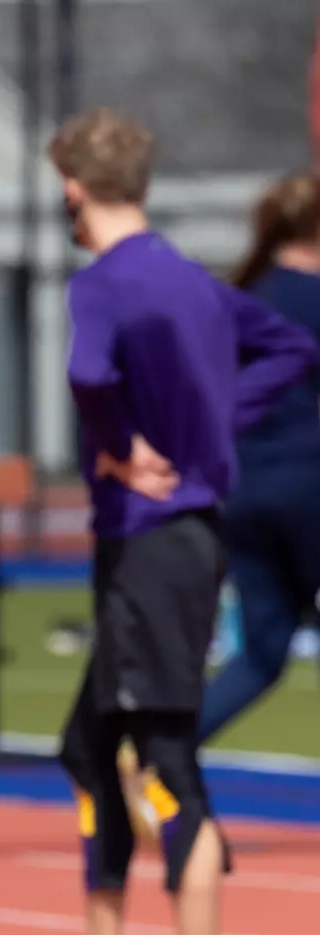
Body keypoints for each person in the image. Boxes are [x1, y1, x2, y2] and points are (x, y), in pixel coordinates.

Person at [20, 108, 316, 935]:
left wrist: (122, 447)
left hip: (158, 545)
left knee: (160, 761)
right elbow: (293, 351)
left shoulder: (107, 282)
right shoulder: (188, 278)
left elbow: (87, 371)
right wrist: (208, 425)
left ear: (73, 188)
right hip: (162, 544)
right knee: (87, 747)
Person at [195, 174, 320, 743]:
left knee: (261, 654)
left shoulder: (239, 298)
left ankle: (162, 753)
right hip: (307, 486)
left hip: (242, 490)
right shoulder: (312, 298)